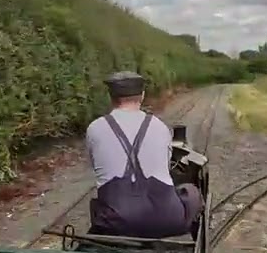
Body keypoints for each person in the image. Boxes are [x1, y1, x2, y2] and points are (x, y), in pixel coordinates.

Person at [85, 71, 201, 239]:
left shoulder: (95, 128)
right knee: (191, 192)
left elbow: (96, 166)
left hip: (116, 224)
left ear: (111, 97)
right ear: (142, 95)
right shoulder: (160, 127)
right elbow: (166, 167)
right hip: (167, 220)